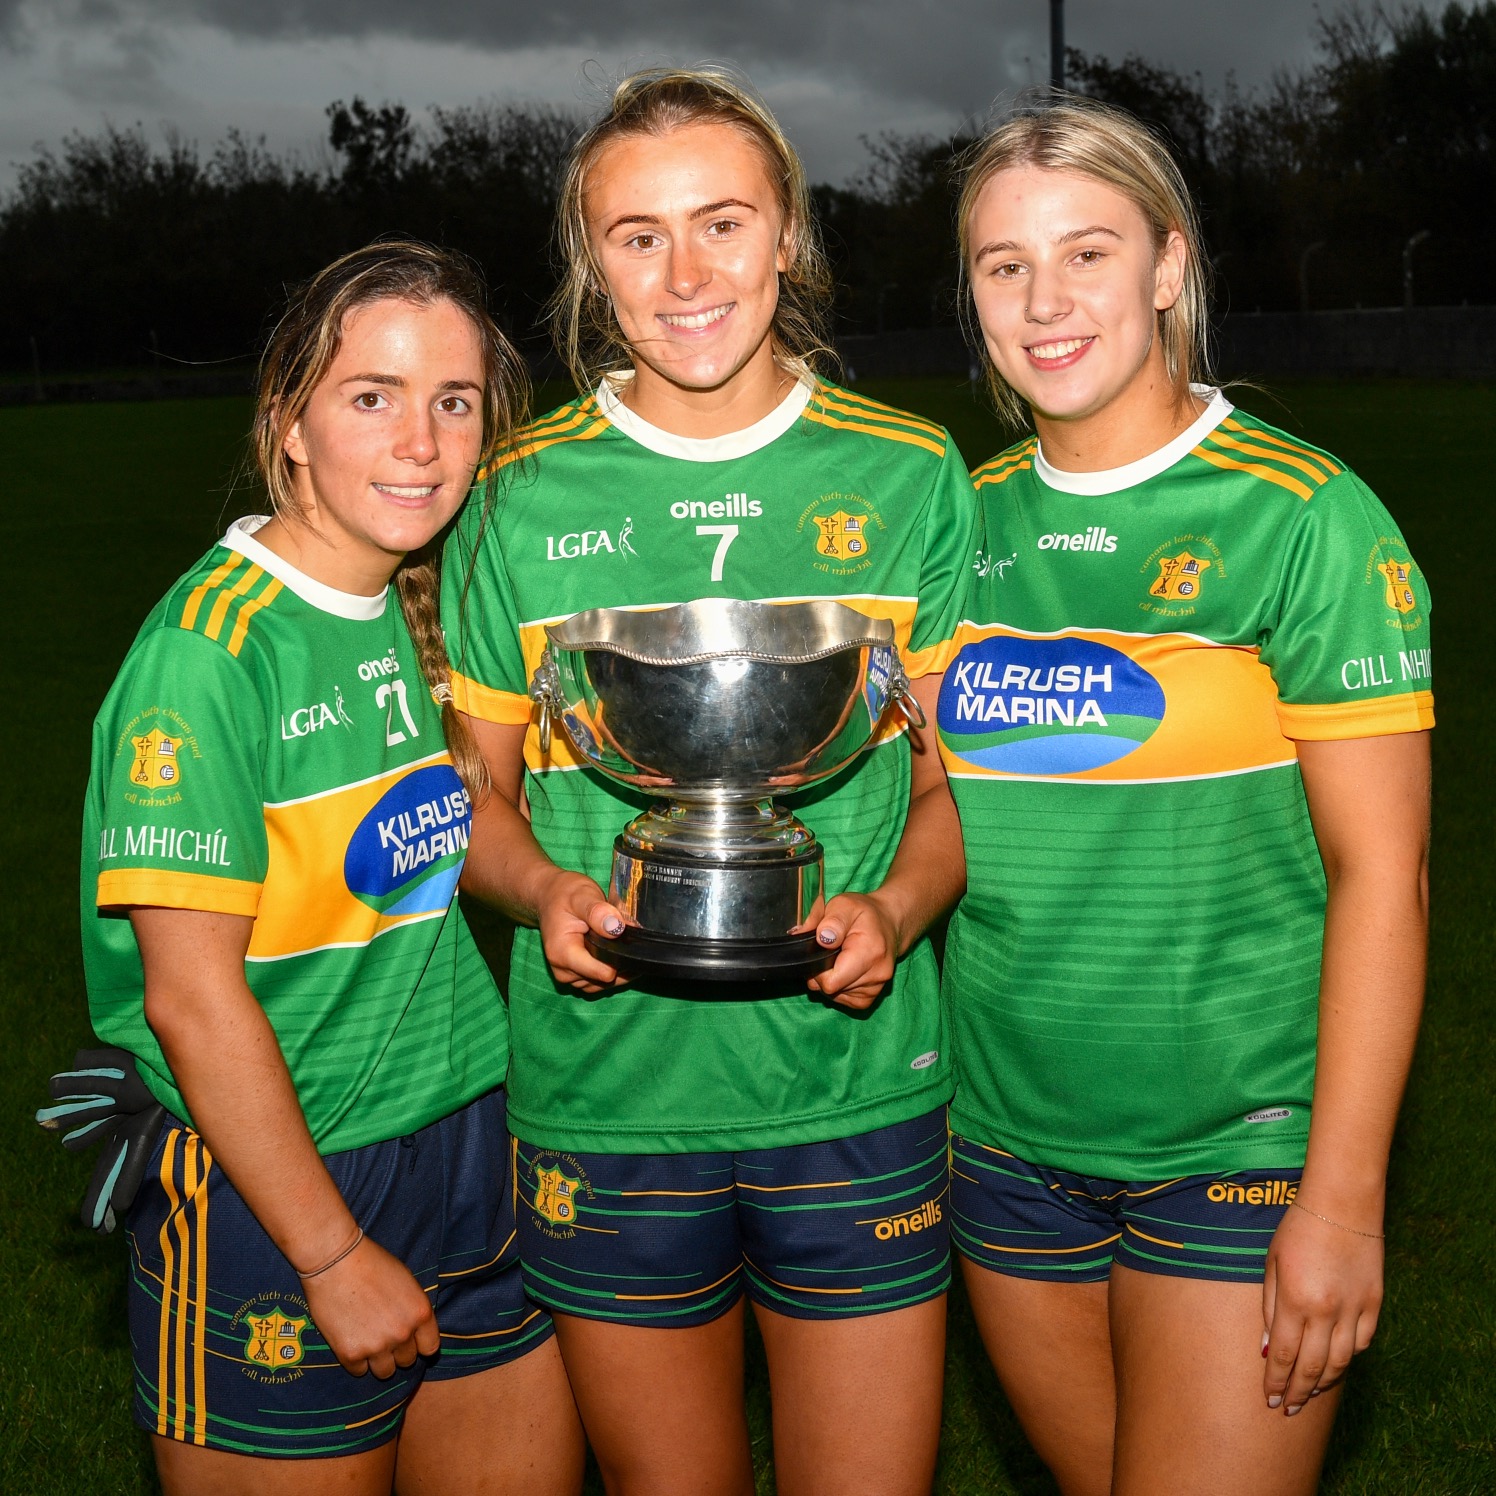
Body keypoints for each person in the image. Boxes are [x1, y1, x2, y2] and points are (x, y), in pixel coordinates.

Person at [442, 68, 975, 1496]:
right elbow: (473, 799)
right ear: (592, 263)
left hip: (855, 1088)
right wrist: (542, 892)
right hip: (605, 1095)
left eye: (723, 223)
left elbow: (948, 794)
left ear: (786, 236)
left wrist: (896, 914)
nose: (686, 276)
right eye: (639, 236)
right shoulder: (512, 494)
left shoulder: (911, 472)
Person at [937, 97, 1432, 1496]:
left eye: (1086, 253)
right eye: (1004, 265)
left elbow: (1383, 876)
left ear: (1167, 265)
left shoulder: (1304, 516)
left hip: (1237, 1146)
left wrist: (1342, 1199)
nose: (1044, 302)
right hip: (1001, 1145)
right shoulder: (954, 522)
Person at [79, 241, 584, 1495]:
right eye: (371, 396)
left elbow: (456, 822)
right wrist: (327, 1251)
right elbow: (190, 999)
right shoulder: (207, 657)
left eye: (453, 401)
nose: (421, 441)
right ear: (288, 424)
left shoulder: (425, 609)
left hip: (468, 1140)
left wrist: (547, 891)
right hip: (279, 1177)